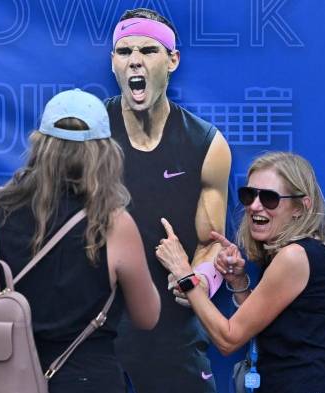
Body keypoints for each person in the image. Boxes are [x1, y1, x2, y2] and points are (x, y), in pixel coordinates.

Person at [0, 89, 160, 393]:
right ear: (104, 153)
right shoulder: (112, 224)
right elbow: (147, 316)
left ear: (40, 145)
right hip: (85, 380)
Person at [155, 151, 325, 393]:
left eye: (269, 198)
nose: (254, 206)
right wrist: (239, 281)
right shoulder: (309, 252)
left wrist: (183, 272)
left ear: (300, 207)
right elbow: (279, 329)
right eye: (248, 195)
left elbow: (229, 339)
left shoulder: (294, 257)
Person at [106, 7, 232, 393]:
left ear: (172, 60)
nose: (135, 61)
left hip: (172, 334)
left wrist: (198, 278)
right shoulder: (89, 139)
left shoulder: (206, 145)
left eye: (148, 50)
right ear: (113, 63)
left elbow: (212, 242)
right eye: (124, 52)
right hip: (93, 332)